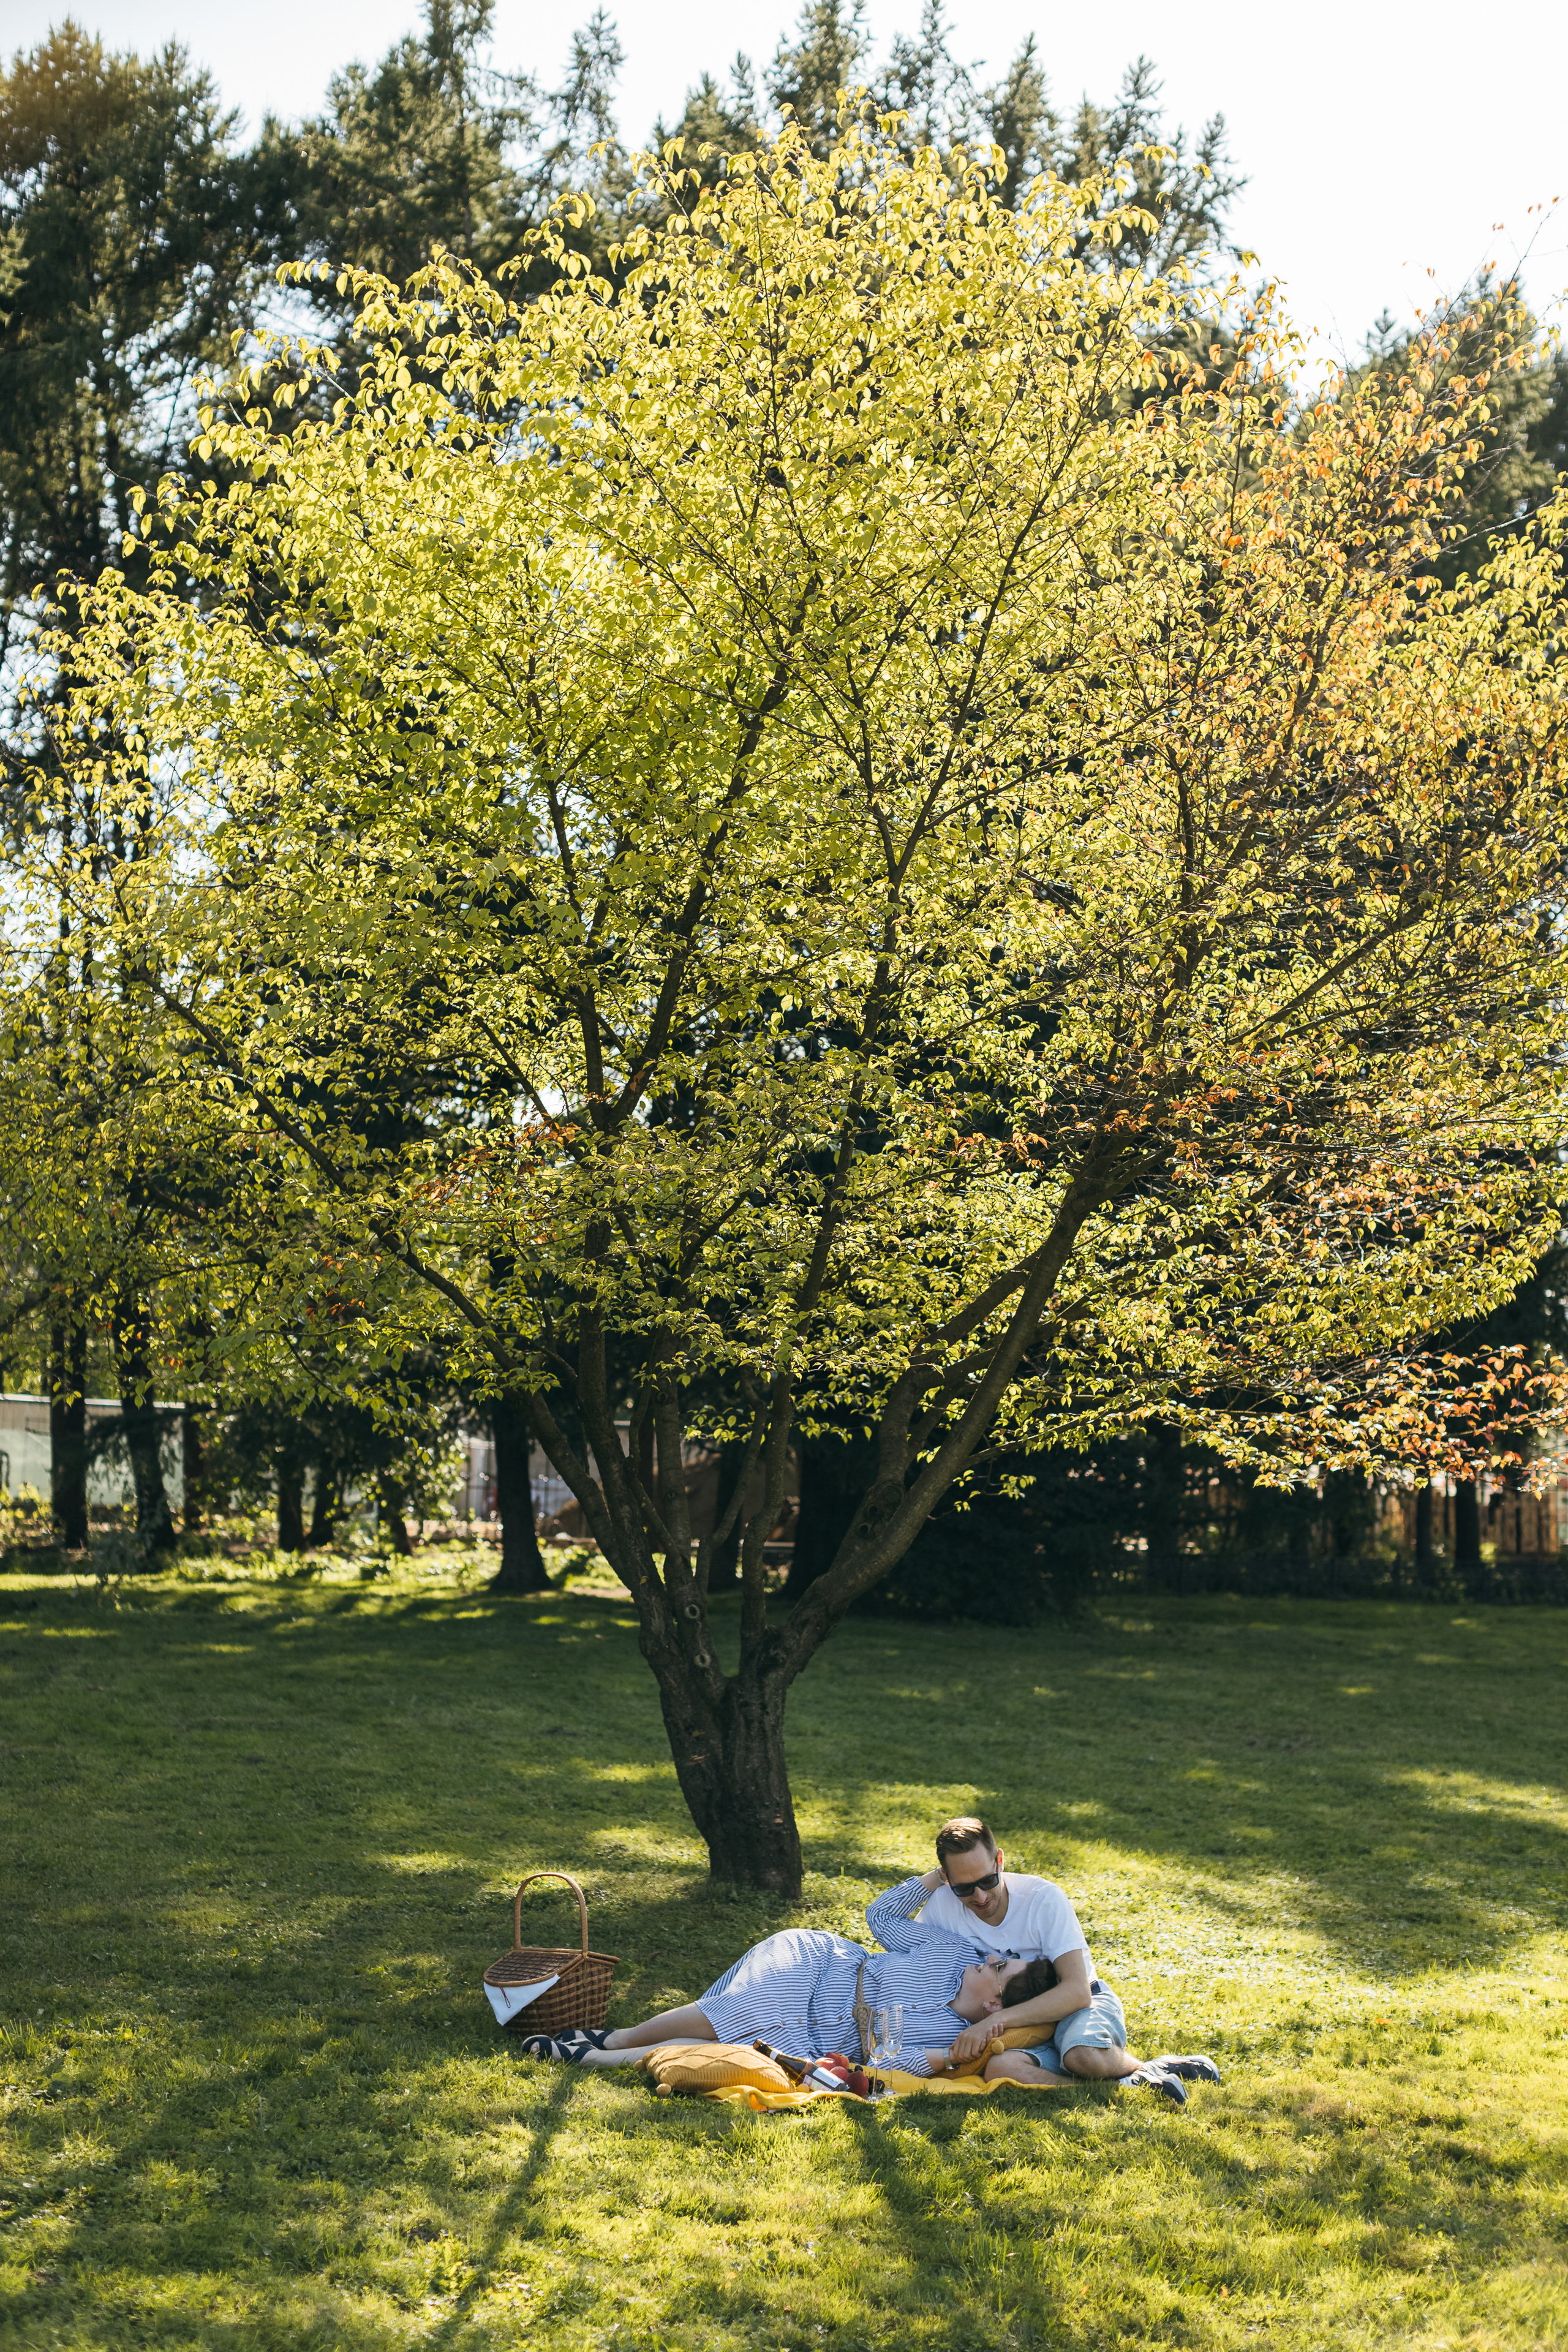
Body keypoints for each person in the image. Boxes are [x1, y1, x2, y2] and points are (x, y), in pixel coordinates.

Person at [519, 1875, 1028, 2075]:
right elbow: (882, 1919)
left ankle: (601, 2056)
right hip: (822, 1966)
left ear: (994, 2006)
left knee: (748, 2049)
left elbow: (888, 2067)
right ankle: (615, 2041)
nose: (990, 1957)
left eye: (1000, 1968)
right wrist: (938, 1877)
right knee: (744, 2009)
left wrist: (942, 2056)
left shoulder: (956, 2038)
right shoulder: (952, 1949)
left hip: (817, 2035)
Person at [916, 1816, 1219, 2101]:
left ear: (1000, 1861)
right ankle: (1119, 2086)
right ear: (946, 1878)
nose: (980, 1897)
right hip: (1015, 2030)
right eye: (964, 1888)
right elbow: (911, 1965)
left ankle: (1143, 2068)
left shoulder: (1042, 1899)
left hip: (1072, 2007)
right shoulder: (942, 1906)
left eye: (987, 1881)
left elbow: (1077, 1991)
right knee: (1001, 2069)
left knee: (1081, 2055)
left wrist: (997, 2020)